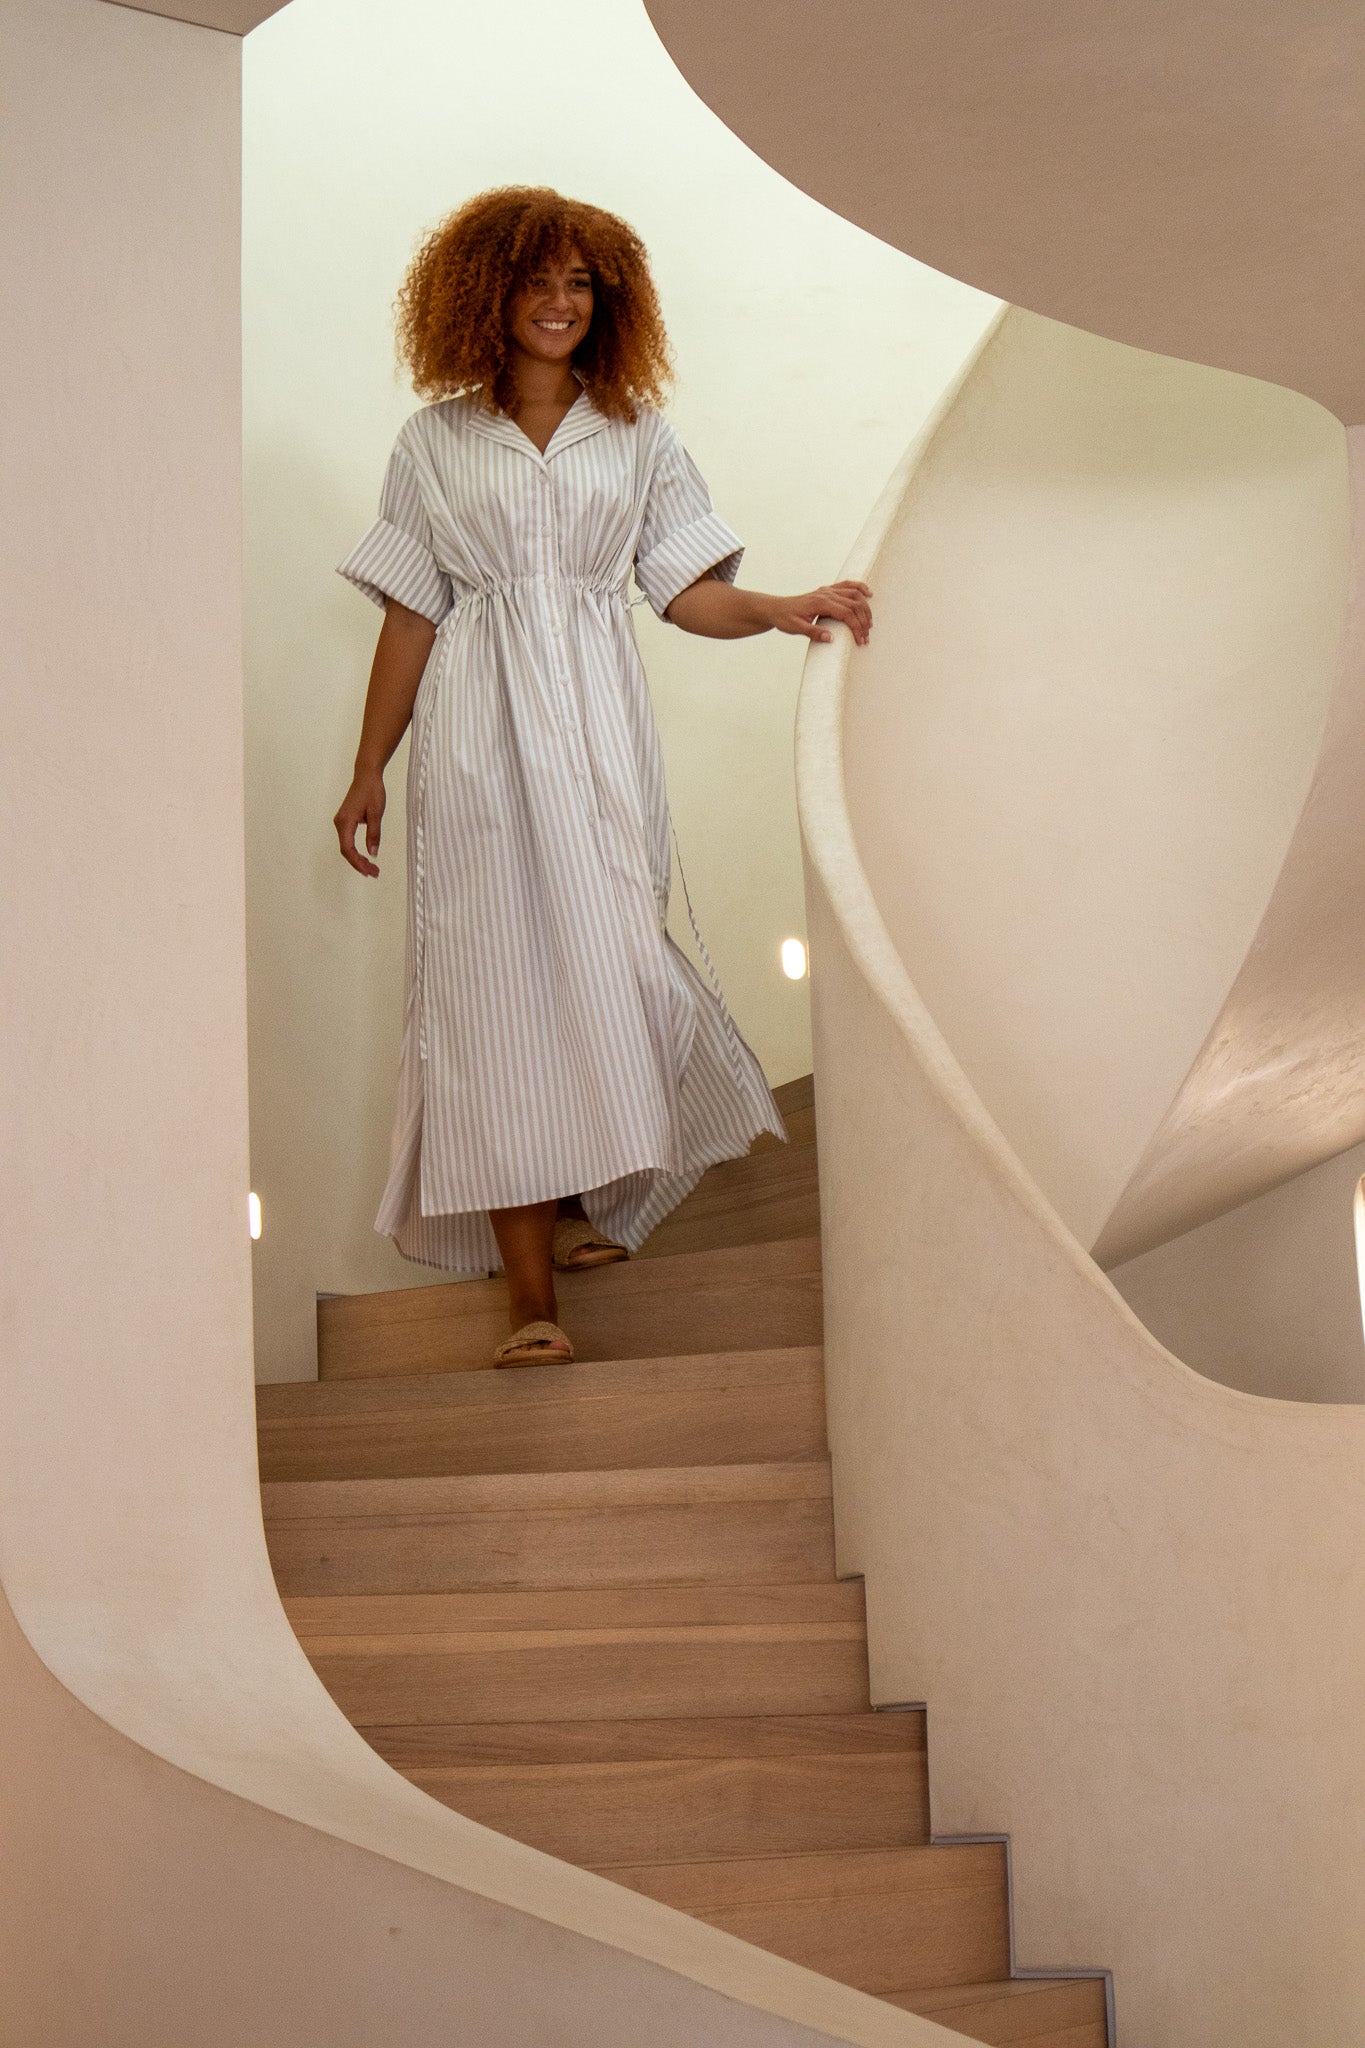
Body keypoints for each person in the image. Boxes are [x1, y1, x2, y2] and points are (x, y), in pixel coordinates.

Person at [333, 185, 873, 1367]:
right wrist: (370, 765)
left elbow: (683, 589)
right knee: (492, 991)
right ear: (488, 293)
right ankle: (530, 1297)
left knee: (609, 954)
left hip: (598, 737)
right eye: (538, 281)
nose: (560, 303)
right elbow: (413, 618)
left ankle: (581, 1197)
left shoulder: (638, 434)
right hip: (476, 742)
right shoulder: (432, 441)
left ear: (606, 300)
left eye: (581, 283)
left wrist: (784, 606)